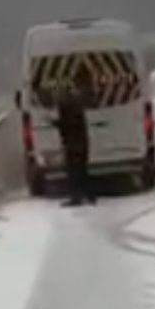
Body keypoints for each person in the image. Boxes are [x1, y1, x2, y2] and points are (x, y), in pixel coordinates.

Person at [55, 65, 96, 206]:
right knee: (82, 169)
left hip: (73, 142)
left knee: (74, 170)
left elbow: (67, 124)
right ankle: (89, 195)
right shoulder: (81, 98)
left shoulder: (70, 102)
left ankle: (77, 197)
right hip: (81, 140)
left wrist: (58, 124)